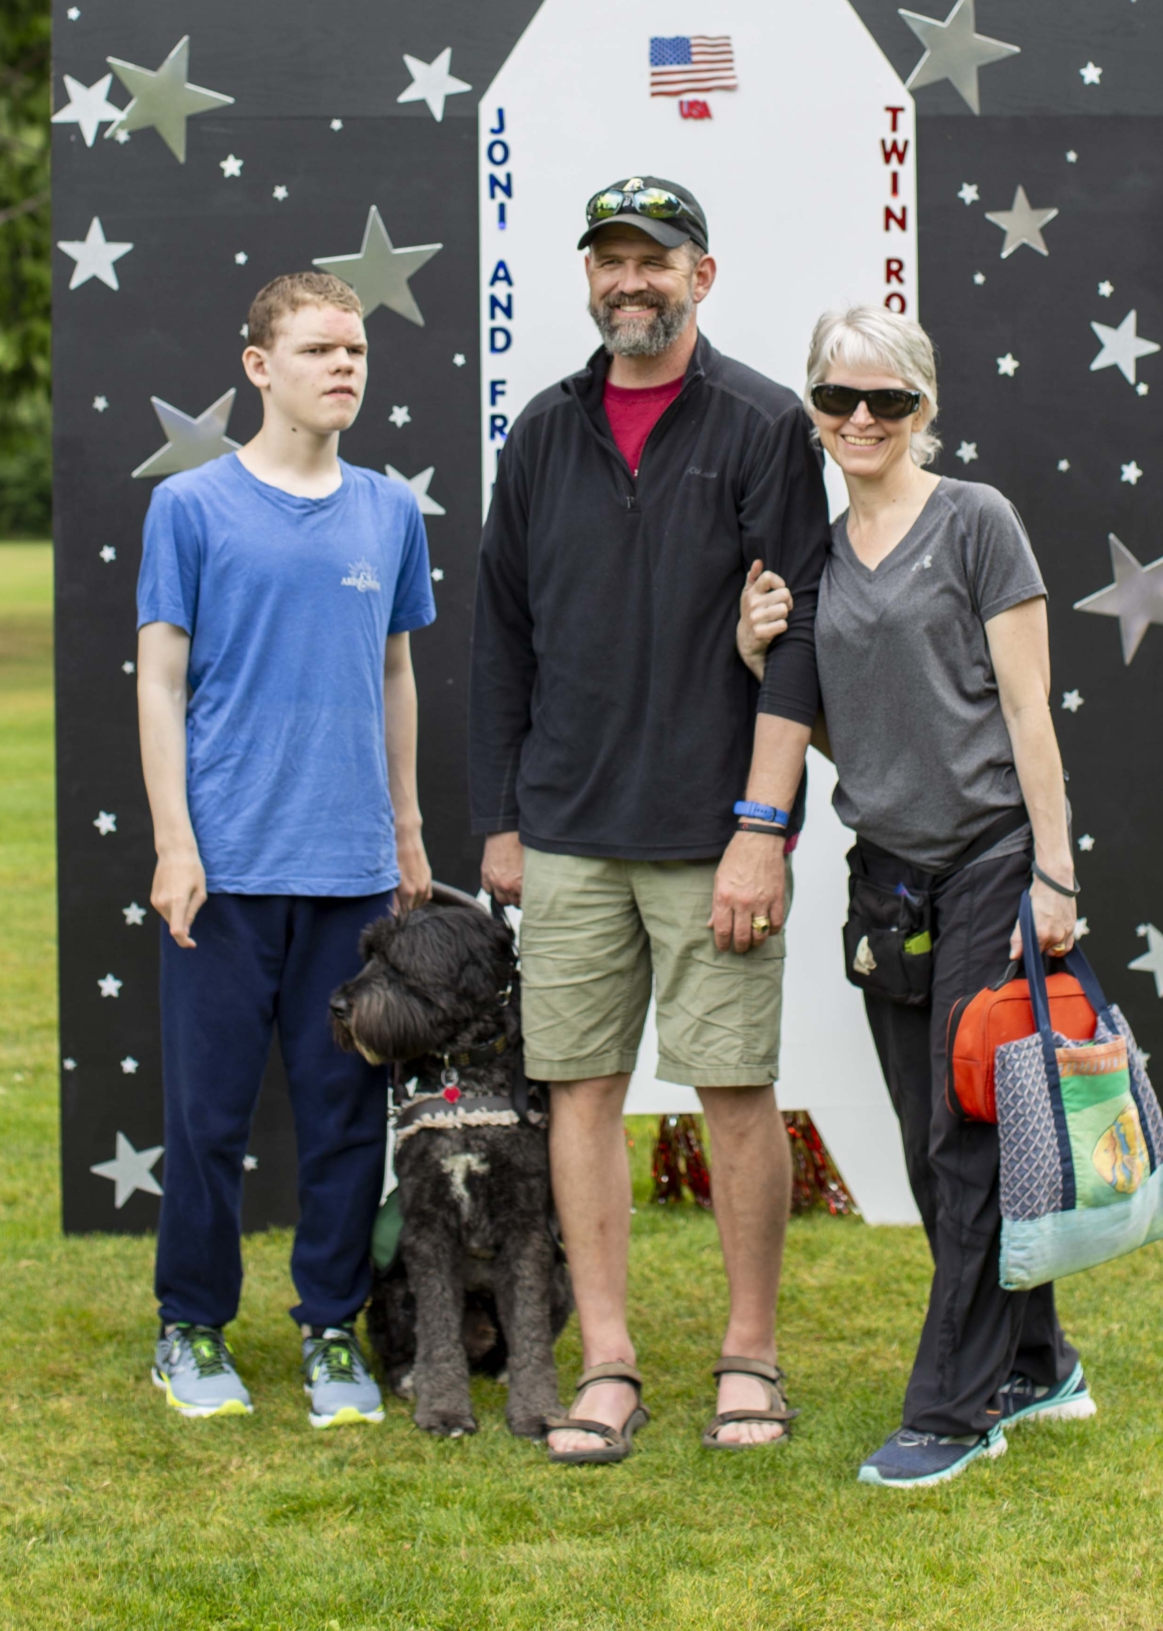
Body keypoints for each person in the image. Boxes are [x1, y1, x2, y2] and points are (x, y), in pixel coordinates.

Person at [470, 176, 828, 1463]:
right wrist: (499, 816)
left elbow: (799, 644)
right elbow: (499, 636)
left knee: (735, 1090)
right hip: (564, 832)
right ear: (588, 277)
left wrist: (761, 824)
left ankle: (750, 1354)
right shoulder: (545, 433)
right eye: (611, 259)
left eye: (656, 260)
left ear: (702, 276)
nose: (633, 279)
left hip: (708, 833)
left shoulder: (764, 426)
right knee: (580, 1092)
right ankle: (608, 1362)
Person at [737, 304, 1091, 1491]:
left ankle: (953, 1406)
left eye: (886, 400)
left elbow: (1027, 708)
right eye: (838, 399)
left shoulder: (977, 521)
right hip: (885, 879)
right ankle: (1039, 1361)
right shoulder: (822, 559)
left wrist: (1055, 872)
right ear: (815, 410)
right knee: (930, 1140)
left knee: (966, 1136)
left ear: (924, 410)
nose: (860, 419)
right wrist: (761, 664)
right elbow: (863, 736)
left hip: (993, 861)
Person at [135, 269, 435, 1426]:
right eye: (319, 350)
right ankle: (190, 1326)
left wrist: (406, 833)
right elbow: (161, 684)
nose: (344, 367)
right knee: (208, 1117)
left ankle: (329, 1331)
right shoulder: (193, 508)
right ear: (260, 366)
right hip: (225, 871)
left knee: (345, 1119)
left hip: (352, 873)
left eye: (355, 350)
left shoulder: (389, 511)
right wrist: (174, 841)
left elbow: (396, 671)